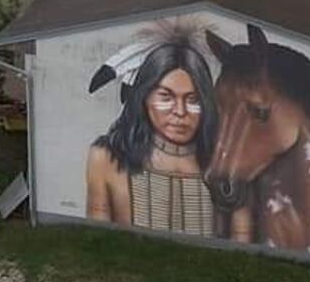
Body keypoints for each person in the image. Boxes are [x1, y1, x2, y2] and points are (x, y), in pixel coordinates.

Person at [84, 36, 221, 237]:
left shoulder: (225, 162)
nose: (180, 111)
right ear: (144, 97)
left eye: (193, 100)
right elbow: (98, 238)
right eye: (166, 97)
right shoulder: (106, 157)